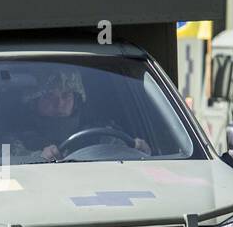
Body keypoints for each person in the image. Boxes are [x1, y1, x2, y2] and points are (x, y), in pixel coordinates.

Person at [14, 68, 149, 161]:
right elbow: (2, 174)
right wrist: (37, 159)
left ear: (76, 99)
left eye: (66, 95)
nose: (59, 103)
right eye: (49, 96)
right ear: (34, 102)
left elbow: (123, 159)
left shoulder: (101, 133)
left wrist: (140, 151)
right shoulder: (15, 138)